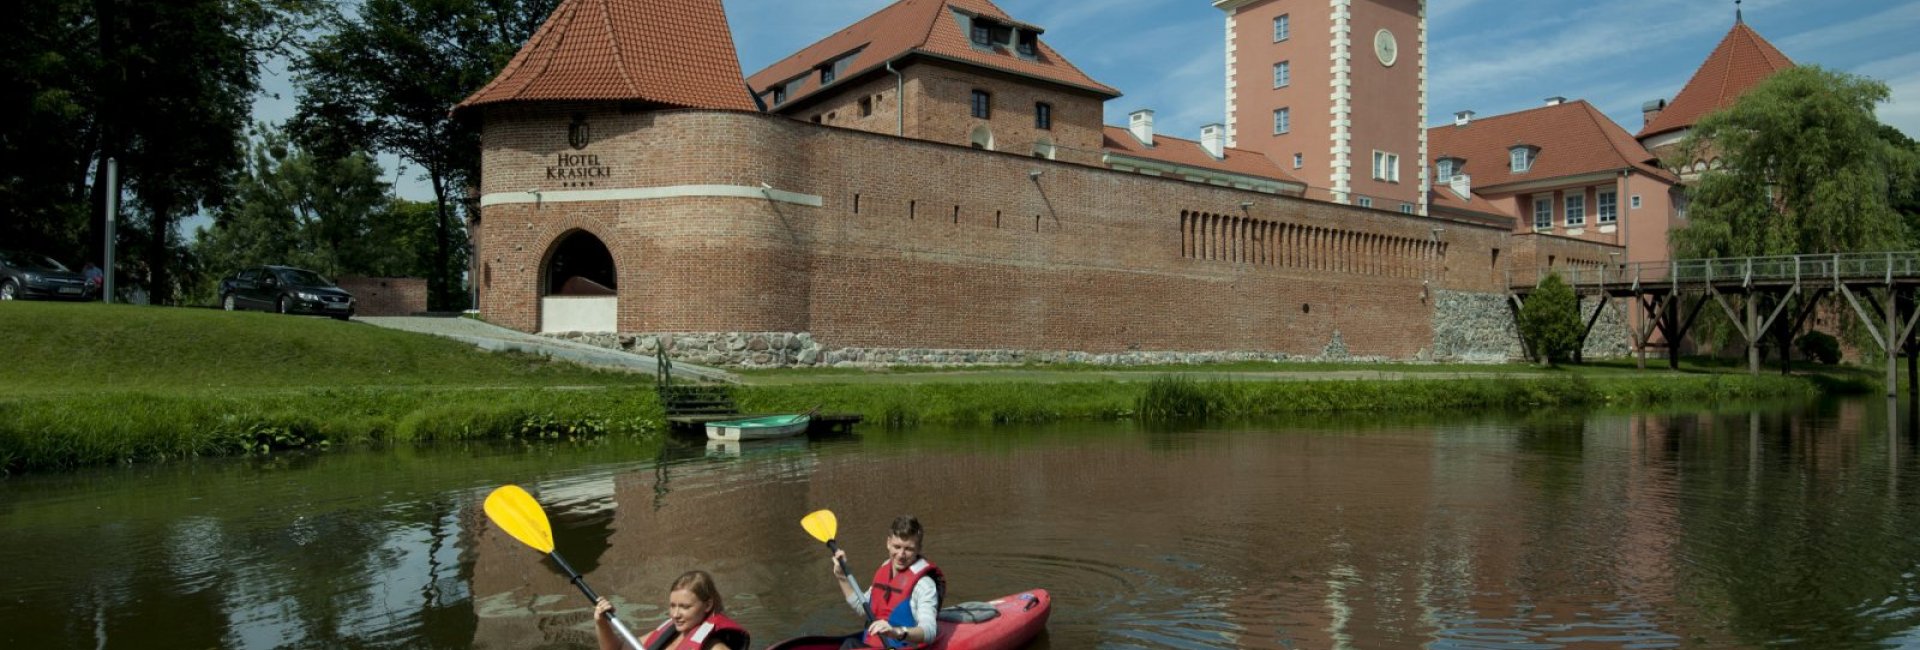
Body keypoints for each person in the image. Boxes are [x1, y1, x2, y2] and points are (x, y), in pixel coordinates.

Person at [831, 515, 945, 649]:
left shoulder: (924, 584)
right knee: (849, 643)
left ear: (919, 549)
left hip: (900, 647)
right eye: (897, 547)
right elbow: (862, 606)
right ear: (888, 543)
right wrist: (841, 577)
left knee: (849, 645)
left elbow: (929, 631)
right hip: (871, 644)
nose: (901, 555)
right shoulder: (885, 568)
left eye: (908, 549)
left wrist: (896, 632)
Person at [594, 570, 749, 650]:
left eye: (685, 607)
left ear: (707, 605)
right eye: (672, 605)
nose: (675, 615)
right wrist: (602, 623)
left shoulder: (715, 647)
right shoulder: (667, 633)